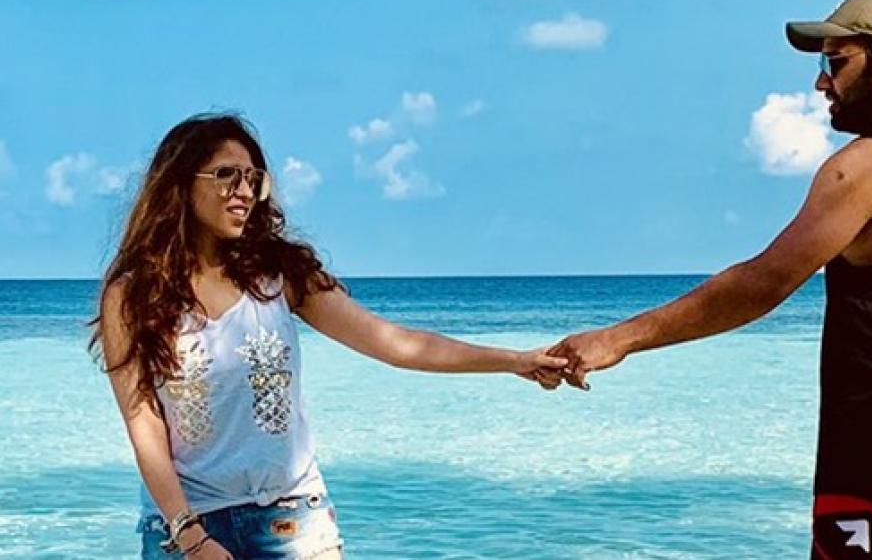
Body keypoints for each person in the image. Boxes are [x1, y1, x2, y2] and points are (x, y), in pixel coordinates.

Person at [541, 0, 872, 559]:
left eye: (835, 63)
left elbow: (761, 285)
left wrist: (618, 339)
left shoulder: (866, 166)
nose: (821, 83)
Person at [90, 114, 566, 559]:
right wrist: (190, 535)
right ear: (180, 184)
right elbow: (143, 421)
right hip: (183, 526)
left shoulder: (278, 275)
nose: (244, 190)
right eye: (226, 175)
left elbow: (395, 343)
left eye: (254, 178)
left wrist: (515, 360)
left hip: (291, 519)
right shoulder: (131, 295)